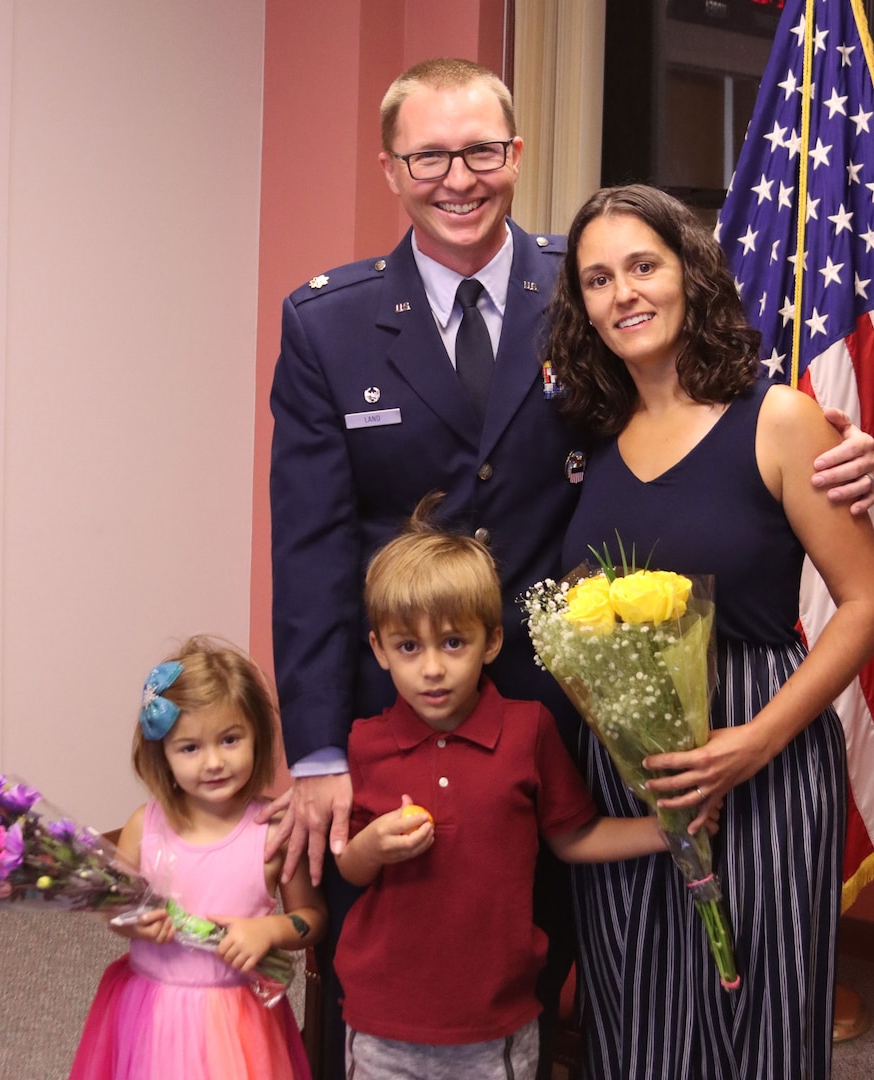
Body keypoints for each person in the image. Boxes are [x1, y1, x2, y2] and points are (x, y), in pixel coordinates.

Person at [266, 57, 874, 1080]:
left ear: (515, 154)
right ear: (391, 168)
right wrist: (321, 751)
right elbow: (312, 548)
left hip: (574, 716)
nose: (458, 177)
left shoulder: (587, 285)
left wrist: (848, 441)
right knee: (409, 985)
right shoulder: (329, 321)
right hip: (408, 720)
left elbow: (728, 433)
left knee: (562, 993)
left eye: (483, 151)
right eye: (429, 155)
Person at [545, 183, 874, 1080]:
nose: (624, 294)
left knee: (757, 1013)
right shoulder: (591, 434)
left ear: (690, 274)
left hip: (760, 745)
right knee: (634, 1006)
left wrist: (753, 741)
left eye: (643, 265)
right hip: (627, 763)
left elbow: (863, 602)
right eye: (598, 279)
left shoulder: (778, 419)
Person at [334, 494, 715, 1079]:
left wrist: (665, 829)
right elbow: (351, 868)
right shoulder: (365, 743)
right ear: (380, 651)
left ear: (491, 642)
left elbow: (574, 836)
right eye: (409, 647)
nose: (432, 668)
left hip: (496, 1022)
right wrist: (373, 847)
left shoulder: (526, 730)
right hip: (383, 1019)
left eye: (452, 643)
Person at [69, 636, 327, 1080]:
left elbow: (313, 917)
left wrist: (268, 929)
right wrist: (126, 921)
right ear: (162, 756)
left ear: (258, 738)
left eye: (230, 739)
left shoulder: (271, 832)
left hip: (239, 1021)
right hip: (151, 1012)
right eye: (190, 748)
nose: (213, 762)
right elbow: (112, 908)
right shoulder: (142, 827)